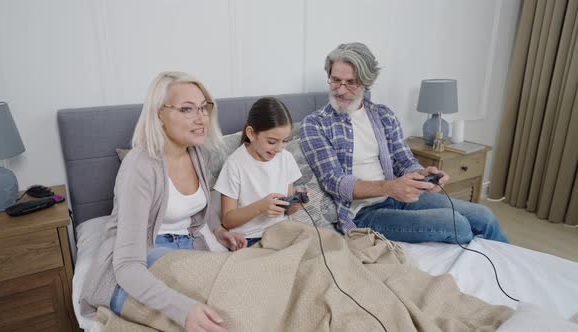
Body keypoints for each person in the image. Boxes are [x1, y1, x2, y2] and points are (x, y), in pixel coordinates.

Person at [79, 71, 247, 332]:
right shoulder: (140, 167)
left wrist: (219, 231)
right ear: (159, 114)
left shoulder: (198, 152)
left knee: (236, 298)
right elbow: (126, 265)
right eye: (187, 109)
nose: (201, 117)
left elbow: (201, 204)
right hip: (145, 251)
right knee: (202, 313)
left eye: (204, 107)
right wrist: (183, 310)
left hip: (187, 247)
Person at [300, 42, 509, 244]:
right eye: (335, 80)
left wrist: (423, 176)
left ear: (366, 83)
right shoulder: (315, 124)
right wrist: (390, 187)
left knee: (484, 215)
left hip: (399, 197)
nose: (341, 90)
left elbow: (404, 160)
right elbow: (335, 182)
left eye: (351, 83)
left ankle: (509, 268)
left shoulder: (383, 115)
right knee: (458, 225)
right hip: (362, 213)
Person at [214, 97, 304, 247]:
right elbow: (228, 220)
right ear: (251, 133)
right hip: (251, 239)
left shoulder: (285, 158)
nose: (279, 148)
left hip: (283, 233)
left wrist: (294, 204)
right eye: (271, 142)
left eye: (285, 141)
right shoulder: (235, 164)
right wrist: (261, 207)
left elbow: (286, 211)